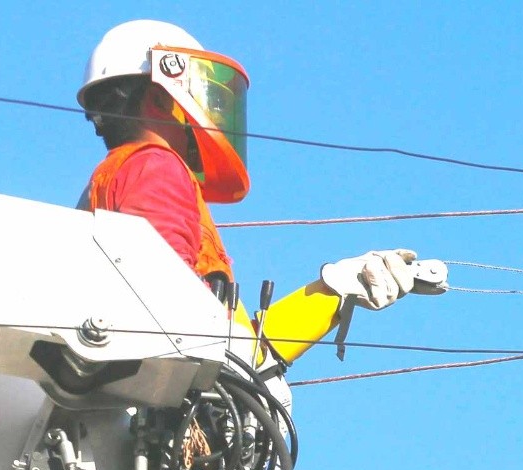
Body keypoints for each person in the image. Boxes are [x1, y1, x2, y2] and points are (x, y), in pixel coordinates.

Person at [76, 19, 431, 368]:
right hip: (165, 407)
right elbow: (166, 316)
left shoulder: (122, 175)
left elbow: (246, 357)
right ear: (160, 98)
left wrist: (338, 289)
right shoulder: (156, 168)